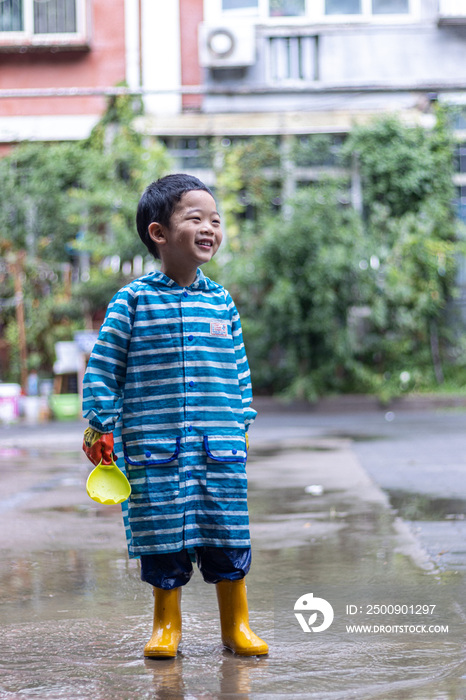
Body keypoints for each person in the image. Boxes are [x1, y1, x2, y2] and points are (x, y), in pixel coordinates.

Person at [82, 173, 268, 659]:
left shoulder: (220, 301)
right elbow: (104, 367)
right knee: (161, 535)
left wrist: (242, 423)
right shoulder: (133, 302)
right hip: (154, 446)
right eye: (196, 218)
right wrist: (99, 423)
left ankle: (237, 625)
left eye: (216, 220)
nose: (210, 228)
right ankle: (167, 626)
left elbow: (239, 368)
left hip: (218, 444)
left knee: (227, 530)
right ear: (159, 233)